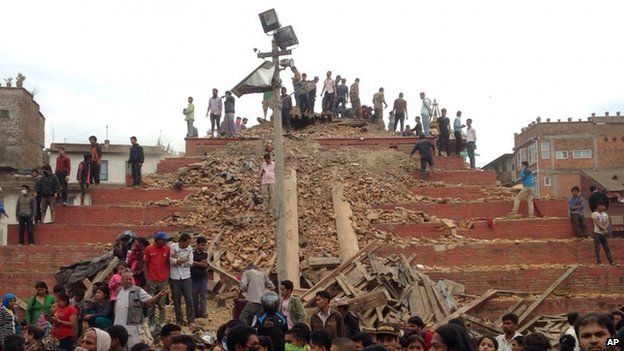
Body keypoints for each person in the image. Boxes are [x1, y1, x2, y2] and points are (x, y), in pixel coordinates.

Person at [114, 271, 168, 348]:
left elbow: (149, 301)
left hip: (132, 325)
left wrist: (159, 295)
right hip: (119, 323)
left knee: (132, 345)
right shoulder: (119, 290)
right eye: (126, 279)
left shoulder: (138, 290)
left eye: (130, 279)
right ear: (122, 281)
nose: (129, 281)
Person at [143, 231, 171, 328]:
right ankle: (152, 322)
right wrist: (147, 278)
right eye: (164, 240)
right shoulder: (149, 249)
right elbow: (145, 264)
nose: (166, 242)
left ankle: (162, 322)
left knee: (162, 303)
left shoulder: (167, 249)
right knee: (151, 302)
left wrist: (167, 276)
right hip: (152, 279)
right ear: (158, 240)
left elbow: (168, 262)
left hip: (163, 280)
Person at [169, 233, 195, 326]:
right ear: (181, 241)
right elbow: (171, 261)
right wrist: (183, 260)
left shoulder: (189, 249)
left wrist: (179, 260)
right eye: (187, 242)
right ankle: (179, 320)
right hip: (175, 277)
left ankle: (191, 320)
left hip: (186, 276)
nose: (188, 244)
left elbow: (190, 262)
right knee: (176, 300)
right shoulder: (173, 247)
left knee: (189, 299)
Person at [191, 236, 209, 319]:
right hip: (193, 278)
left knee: (203, 296)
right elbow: (190, 264)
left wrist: (195, 262)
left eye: (204, 245)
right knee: (194, 296)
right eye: (202, 245)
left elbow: (205, 265)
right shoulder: (191, 254)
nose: (203, 247)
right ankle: (196, 313)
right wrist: (199, 263)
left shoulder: (205, 254)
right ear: (197, 244)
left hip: (203, 278)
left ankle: (203, 312)